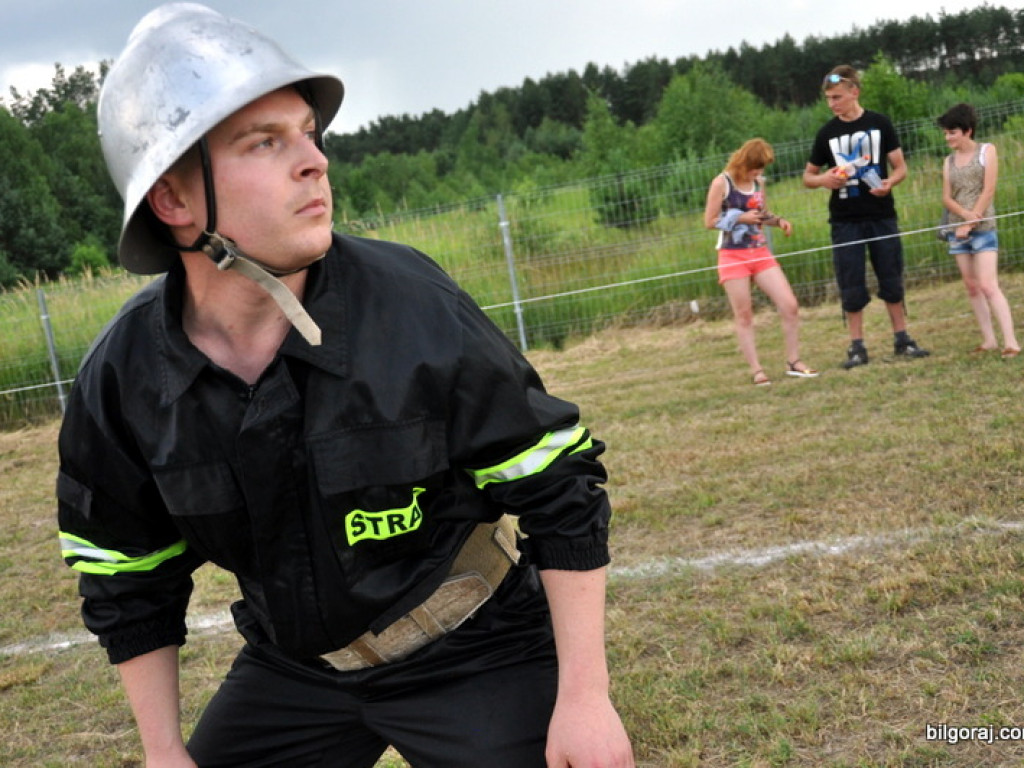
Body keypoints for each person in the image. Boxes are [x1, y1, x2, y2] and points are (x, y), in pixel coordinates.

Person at [54, 5, 634, 768]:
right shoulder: (125, 382)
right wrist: (165, 752)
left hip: (476, 650)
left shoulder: (413, 304)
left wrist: (586, 699)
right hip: (295, 673)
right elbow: (124, 575)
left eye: (307, 133)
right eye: (264, 143)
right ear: (175, 202)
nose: (314, 161)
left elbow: (558, 489)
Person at [802, 64, 930, 369]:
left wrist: (890, 183)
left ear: (854, 92)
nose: (832, 104)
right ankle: (857, 347)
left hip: (882, 215)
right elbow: (808, 177)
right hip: (845, 221)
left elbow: (900, 167)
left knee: (891, 275)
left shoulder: (880, 123)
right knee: (851, 282)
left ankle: (902, 339)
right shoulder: (826, 133)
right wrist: (825, 181)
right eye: (828, 99)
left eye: (837, 97)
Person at [703, 138, 819, 386]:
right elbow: (710, 221)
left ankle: (794, 361)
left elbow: (761, 213)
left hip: (760, 252)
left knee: (789, 305)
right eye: (756, 167)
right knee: (744, 314)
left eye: (761, 168)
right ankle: (756, 369)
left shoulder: (758, 183)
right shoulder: (721, 183)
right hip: (733, 256)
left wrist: (778, 221)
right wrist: (740, 218)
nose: (758, 173)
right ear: (743, 162)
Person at [938, 102, 1019, 358]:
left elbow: (989, 190)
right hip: (957, 230)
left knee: (988, 285)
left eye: (952, 132)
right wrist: (962, 219)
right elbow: (947, 198)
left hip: (983, 229)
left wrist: (971, 223)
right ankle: (989, 340)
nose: (948, 137)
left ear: (967, 131)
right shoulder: (948, 161)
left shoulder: (987, 151)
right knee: (971, 286)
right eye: (946, 132)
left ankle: (1011, 342)